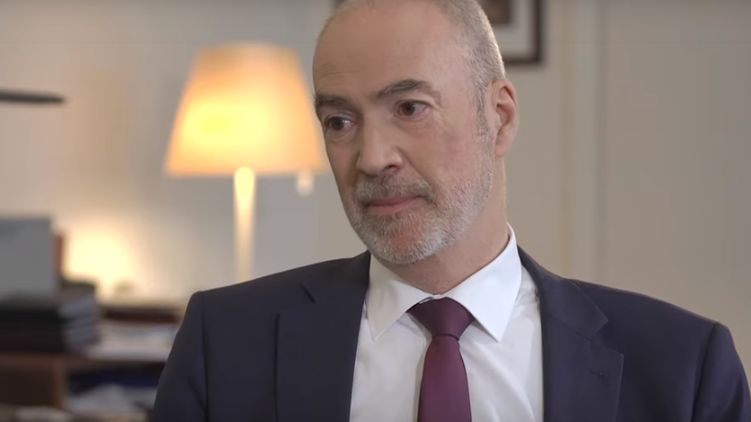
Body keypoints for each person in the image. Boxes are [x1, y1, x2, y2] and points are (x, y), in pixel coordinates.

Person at [152, 0, 751, 421]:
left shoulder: (684, 368)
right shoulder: (223, 343)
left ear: (500, 118)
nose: (372, 157)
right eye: (339, 121)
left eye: (410, 108)